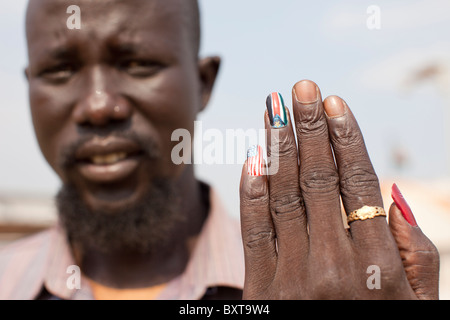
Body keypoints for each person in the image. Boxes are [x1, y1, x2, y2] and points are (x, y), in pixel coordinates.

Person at [0, 0, 439, 300]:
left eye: (138, 64)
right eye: (59, 70)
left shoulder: (325, 280)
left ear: (204, 82)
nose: (98, 105)